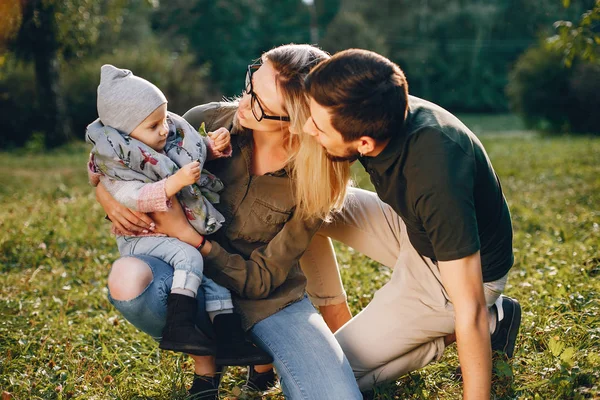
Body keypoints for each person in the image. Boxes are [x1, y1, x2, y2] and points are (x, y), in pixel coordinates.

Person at [92, 44, 363, 400]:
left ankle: (261, 354)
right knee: (129, 279)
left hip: (269, 302)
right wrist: (107, 197)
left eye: (259, 102)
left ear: (298, 120)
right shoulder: (205, 123)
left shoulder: (316, 178)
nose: (244, 101)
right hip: (192, 285)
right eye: (251, 83)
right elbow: (120, 149)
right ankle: (209, 354)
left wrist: (192, 239)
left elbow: (263, 279)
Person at [301, 48, 522, 398]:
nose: (306, 128)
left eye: (317, 125)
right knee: (304, 202)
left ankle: (490, 324)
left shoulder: (436, 172)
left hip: (452, 276)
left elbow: (469, 305)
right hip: (411, 225)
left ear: (363, 143)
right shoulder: (375, 103)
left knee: (318, 377)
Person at [87, 64, 272, 366]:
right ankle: (180, 325)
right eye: (152, 125)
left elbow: (187, 153)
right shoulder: (117, 164)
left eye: (163, 119)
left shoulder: (162, 138)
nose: (164, 129)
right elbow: (136, 196)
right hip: (145, 237)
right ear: (123, 132)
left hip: (172, 232)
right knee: (191, 258)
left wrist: (213, 147)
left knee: (215, 280)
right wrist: (176, 182)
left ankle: (228, 339)